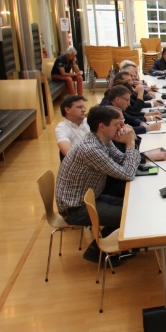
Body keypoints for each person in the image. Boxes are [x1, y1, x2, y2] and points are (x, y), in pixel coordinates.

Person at [55, 106, 139, 262]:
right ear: (102, 126)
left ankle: (110, 238)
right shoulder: (91, 149)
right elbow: (127, 173)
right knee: (130, 216)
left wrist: (129, 145)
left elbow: (123, 160)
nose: (120, 127)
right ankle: (97, 251)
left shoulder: (102, 140)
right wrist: (130, 143)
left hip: (91, 198)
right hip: (76, 209)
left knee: (133, 206)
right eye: (116, 124)